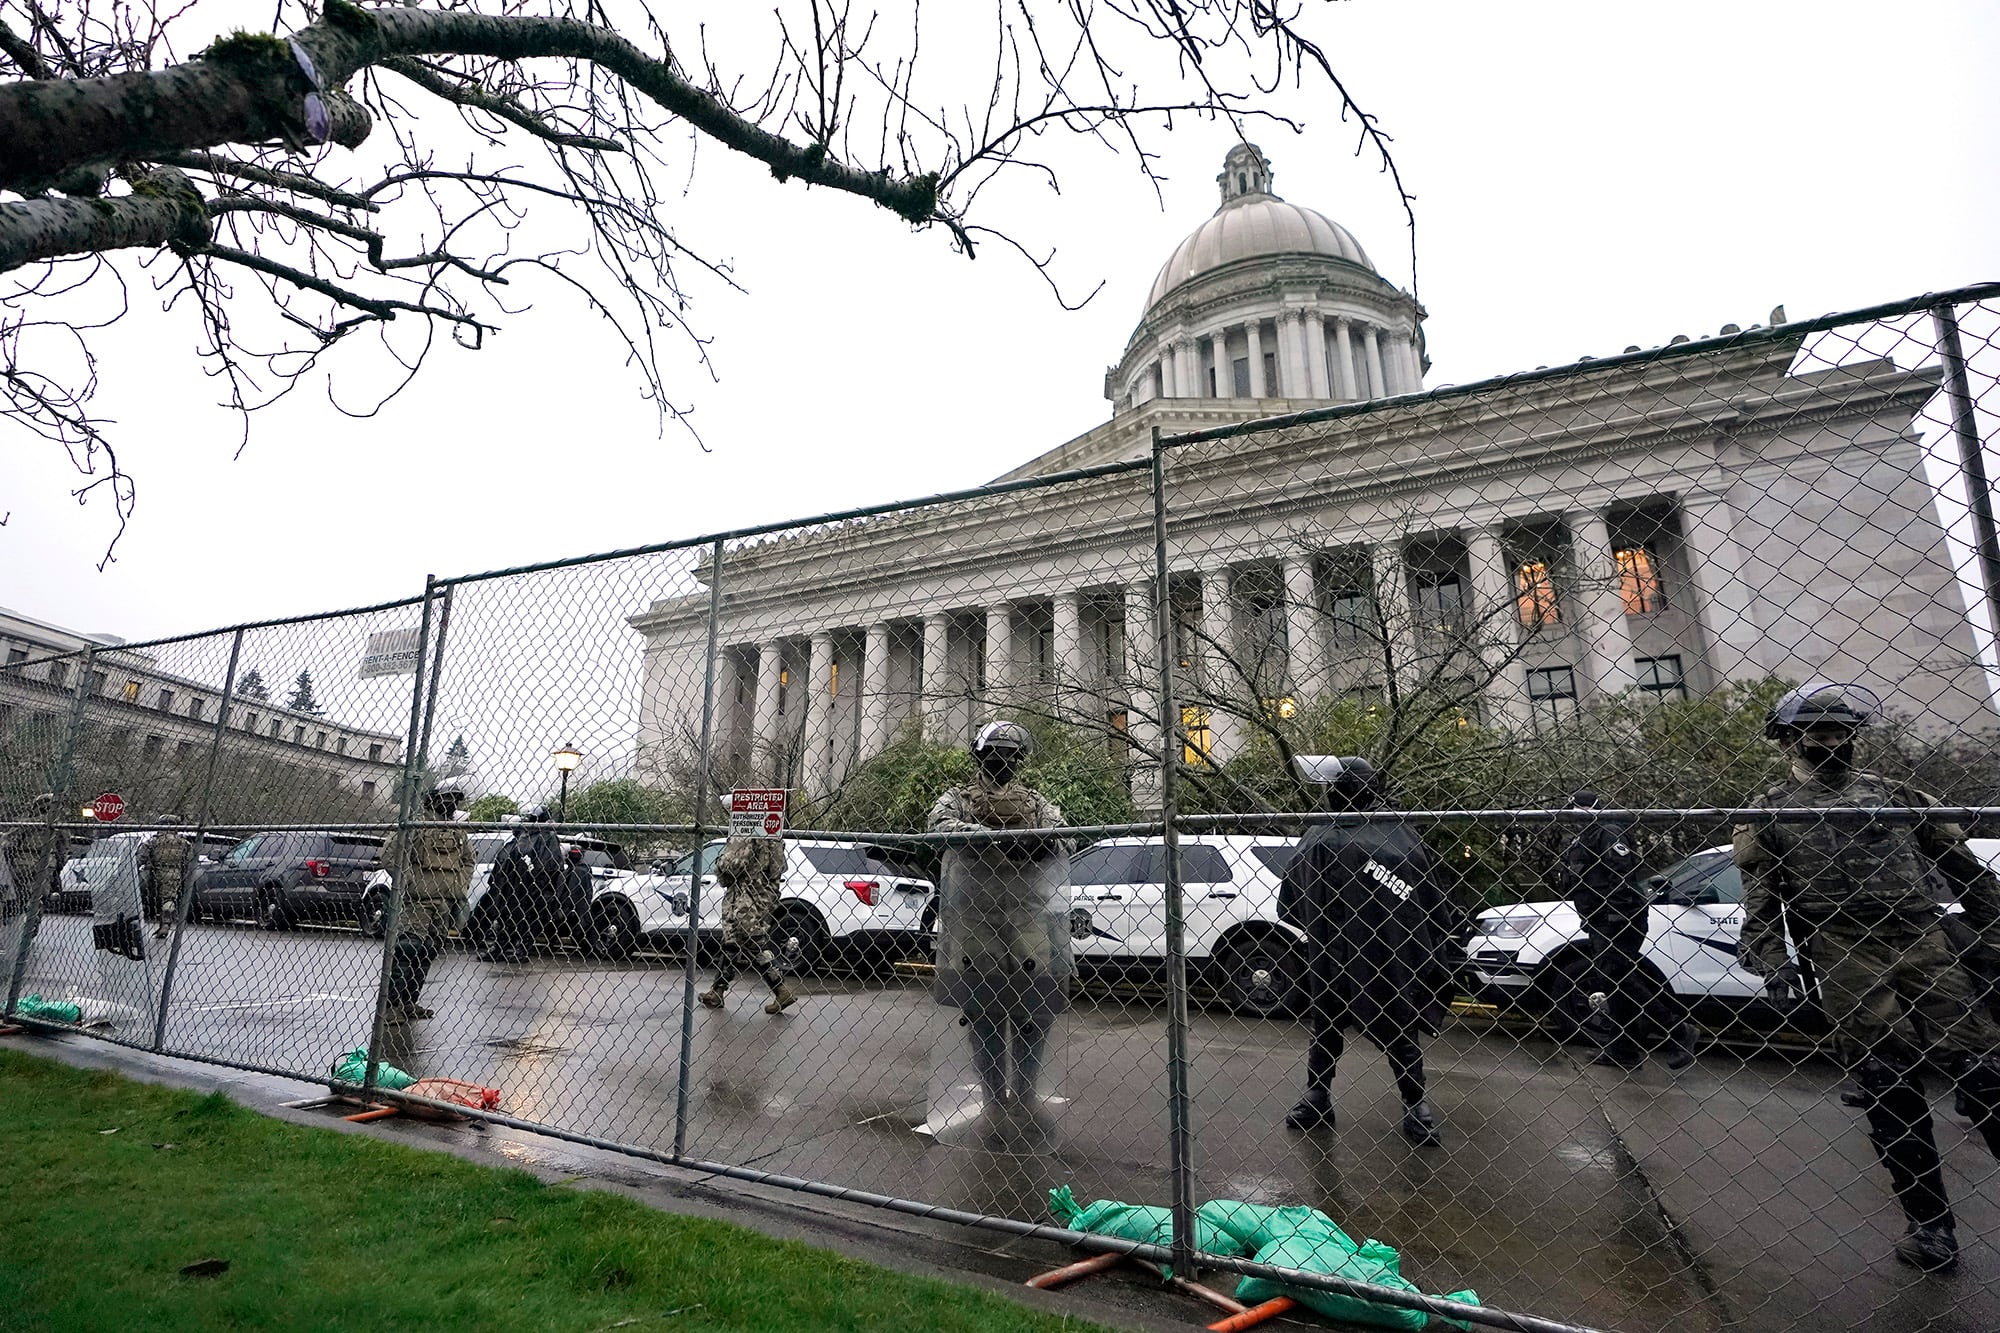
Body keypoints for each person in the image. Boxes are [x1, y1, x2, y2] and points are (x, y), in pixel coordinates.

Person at [1734, 682, 2000, 1273]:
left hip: (1921, 939)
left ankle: (1932, 1220)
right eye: (1818, 732)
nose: (1831, 741)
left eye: (1840, 731)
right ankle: (1931, 1226)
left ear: (1854, 736)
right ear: (1791, 739)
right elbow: (1761, 892)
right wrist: (1767, 953)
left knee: (1984, 1071)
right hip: (1846, 950)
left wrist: (1995, 934)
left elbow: (1965, 869)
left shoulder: (1898, 796)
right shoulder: (1771, 810)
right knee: (1889, 1086)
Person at [1280, 755, 1458, 1148]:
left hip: (1361, 953)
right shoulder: (1387, 832)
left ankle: (1409, 1102)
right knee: (1347, 1023)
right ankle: (1326, 1096)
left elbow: (1290, 903)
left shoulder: (1341, 833)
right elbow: (1431, 904)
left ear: (1340, 791)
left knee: (1352, 1024)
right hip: (1369, 953)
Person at [928, 721, 1072, 1130]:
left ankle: (1025, 1090)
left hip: (1028, 911)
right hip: (976, 914)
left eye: (1011, 755)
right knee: (983, 1008)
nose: (1003, 761)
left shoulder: (1036, 802)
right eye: (995, 754)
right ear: (979, 756)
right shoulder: (958, 798)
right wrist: (992, 837)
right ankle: (993, 1093)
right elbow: (937, 827)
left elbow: (1068, 837)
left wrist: (1041, 840)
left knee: (1034, 1006)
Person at [1559, 791, 1694, 1071]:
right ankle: (1624, 1049)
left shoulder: (1608, 831)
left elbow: (1620, 875)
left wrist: (1616, 915)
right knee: (1613, 982)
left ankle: (1677, 1029)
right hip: (1599, 918)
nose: (1572, 815)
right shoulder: (1583, 837)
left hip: (1620, 917)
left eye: (1576, 809)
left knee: (1618, 976)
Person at [379, 786, 474, 1021]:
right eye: (446, 799)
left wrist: (458, 885)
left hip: (445, 902)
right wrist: (412, 883)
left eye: (455, 799)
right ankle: (391, 1006)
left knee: (428, 951)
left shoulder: (457, 831)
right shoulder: (416, 824)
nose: (451, 803)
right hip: (417, 902)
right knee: (407, 949)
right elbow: (390, 857)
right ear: (433, 800)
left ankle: (410, 1002)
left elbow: (469, 860)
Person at [698, 836, 797, 1014]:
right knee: (732, 939)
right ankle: (717, 990)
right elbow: (778, 868)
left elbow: (733, 865)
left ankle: (781, 989)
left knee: (751, 939)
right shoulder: (773, 836)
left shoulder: (745, 832)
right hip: (763, 893)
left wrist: (719, 865)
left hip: (746, 894)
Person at [481, 807, 563, 963]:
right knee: (507, 917)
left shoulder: (547, 837)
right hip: (515, 884)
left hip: (533, 885)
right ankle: (500, 948)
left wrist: (538, 883)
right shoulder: (524, 836)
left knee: (530, 919)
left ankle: (522, 949)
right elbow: (510, 859)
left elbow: (549, 864)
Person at [3, 793, 60, 946]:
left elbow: (9, 844)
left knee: (18, 894)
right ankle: (31, 925)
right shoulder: (58, 825)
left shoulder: (26, 823)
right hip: (47, 863)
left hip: (23, 863)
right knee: (39, 897)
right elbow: (63, 849)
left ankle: (17, 916)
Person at [146, 815, 193, 941]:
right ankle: (165, 923)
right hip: (175, 872)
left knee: (160, 899)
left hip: (157, 871)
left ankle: (164, 924)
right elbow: (189, 861)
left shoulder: (154, 841)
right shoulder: (184, 843)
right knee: (169, 898)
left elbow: (141, 856)